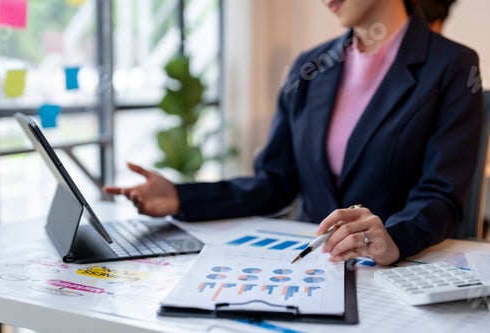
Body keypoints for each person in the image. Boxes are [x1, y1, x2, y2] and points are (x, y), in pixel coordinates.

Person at [104, 0, 483, 266]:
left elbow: (441, 194)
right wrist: (181, 196)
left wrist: (394, 239)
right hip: (313, 269)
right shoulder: (310, 67)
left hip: (392, 273)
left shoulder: (451, 65)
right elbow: (275, 182)